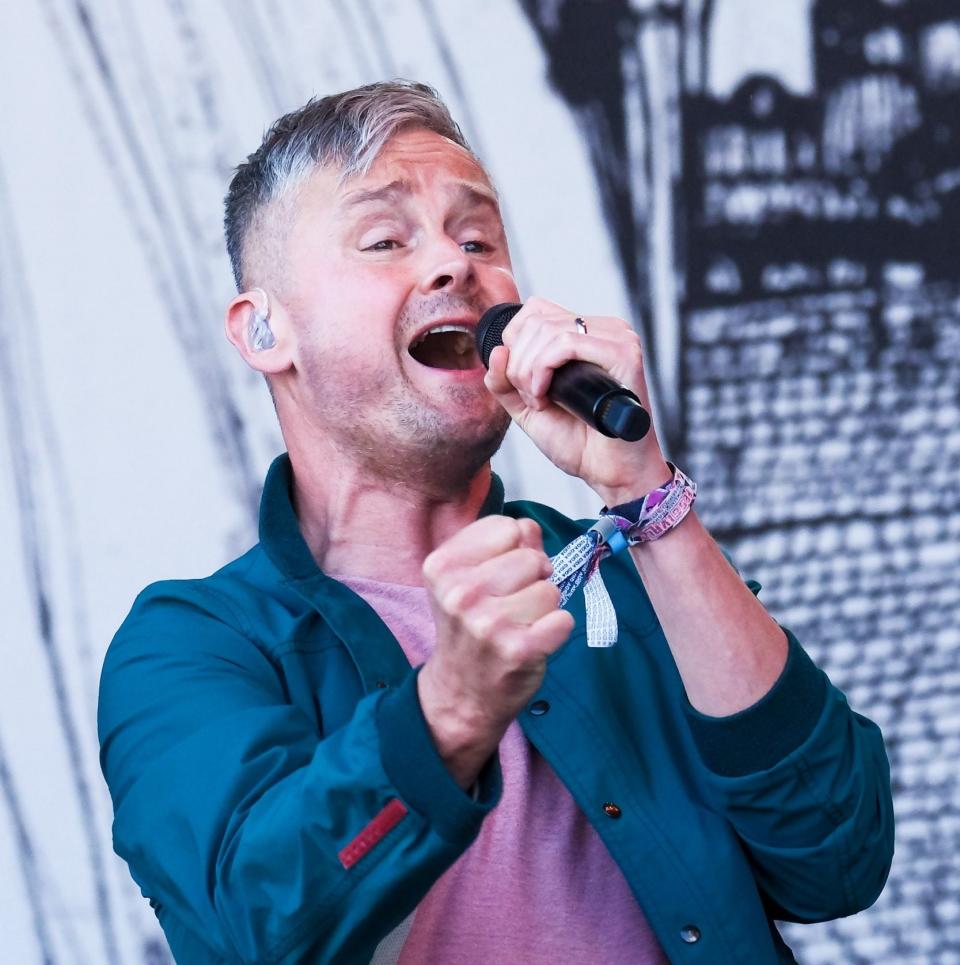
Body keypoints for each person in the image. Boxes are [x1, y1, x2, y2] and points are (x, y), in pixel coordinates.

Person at [98, 80, 893, 964]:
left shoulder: (630, 579)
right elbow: (259, 923)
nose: (454, 266)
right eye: (384, 239)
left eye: (477, 237)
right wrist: (452, 707)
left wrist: (650, 501)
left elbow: (840, 856)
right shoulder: (188, 647)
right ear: (263, 331)